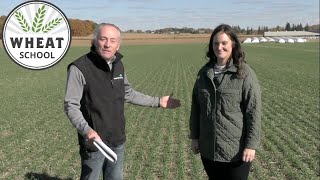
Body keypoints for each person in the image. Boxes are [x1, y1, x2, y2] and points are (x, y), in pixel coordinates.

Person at [64, 23, 180, 180]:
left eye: (112, 40)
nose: (107, 44)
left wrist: (158, 101)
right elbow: (71, 106)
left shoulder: (118, 65)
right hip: (95, 141)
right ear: (94, 41)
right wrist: (87, 131)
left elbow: (128, 93)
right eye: (103, 39)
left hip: (117, 138)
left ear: (118, 45)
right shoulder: (79, 68)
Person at [189, 24, 261, 180]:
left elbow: (253, 111)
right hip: (209, 150)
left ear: (233, 44)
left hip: (235, 152)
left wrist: (251, 145)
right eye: (216, 43)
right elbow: (196, 108)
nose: (219, 47)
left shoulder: (244, 73)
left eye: (224, 43)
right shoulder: (204, 74)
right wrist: (194, 137)